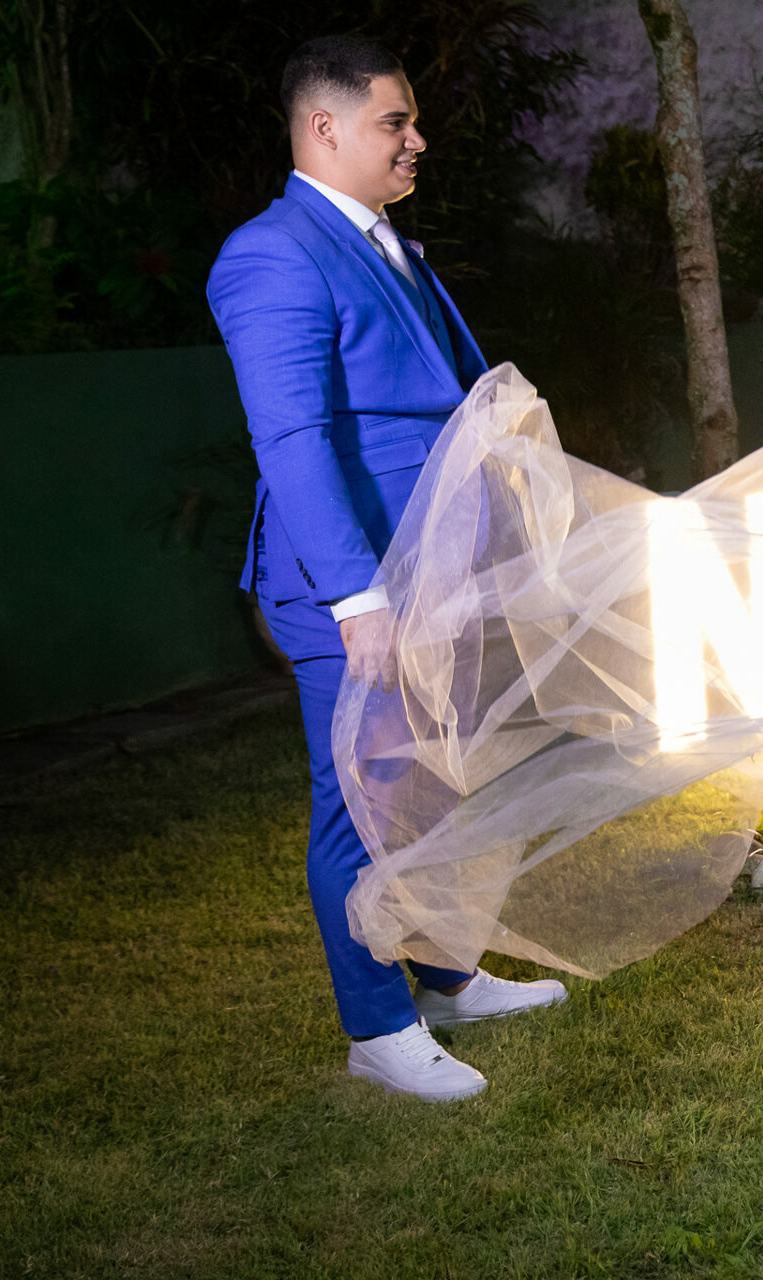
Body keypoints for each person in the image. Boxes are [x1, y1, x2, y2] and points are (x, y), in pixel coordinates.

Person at [206, 34, 566, 1102]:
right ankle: (378, 1027)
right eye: (394, 122)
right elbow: (294, 441)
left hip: (438, 569)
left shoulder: (383, 241)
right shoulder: (272, 253)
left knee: (432, 787)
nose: (417, 140)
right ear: (324, 128)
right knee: (358, 807)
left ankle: (447, 978)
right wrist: (357, 597)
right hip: (355, 586)